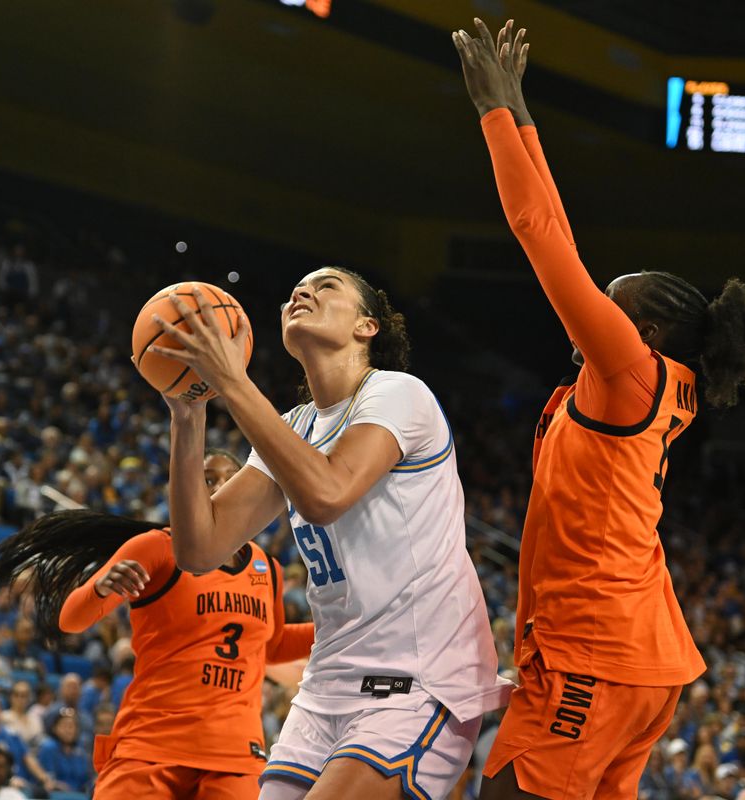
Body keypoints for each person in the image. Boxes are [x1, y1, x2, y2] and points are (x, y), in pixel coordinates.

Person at [452, 19, 745, 799]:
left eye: (610, 299)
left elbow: (539, 234)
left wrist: (492, 111)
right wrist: (524, 114)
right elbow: (557, 226)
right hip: (635, 658)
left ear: (648, 331)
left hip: (593, 653)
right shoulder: (658, 385)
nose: (594, 301)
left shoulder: (630, 372)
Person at [148, 268, 511, 800]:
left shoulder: (397, 393)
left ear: (367, 326)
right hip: (325, 688)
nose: (302, 292)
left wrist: (232, 382)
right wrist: (188, 414)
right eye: (296, 287)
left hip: (416, 682)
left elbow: (326, 493)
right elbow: (199, 550)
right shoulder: (295, 425)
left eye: (325, 287)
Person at [0, 449, 317, 800]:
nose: (220, 488)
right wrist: (99, 588)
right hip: (152, 744)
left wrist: (334, 627)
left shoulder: (268, 568)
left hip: (235, 754)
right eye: (208, 479)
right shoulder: (158, 547)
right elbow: (70, 619)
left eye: (231, 479)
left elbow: (269, 647)